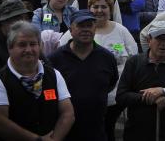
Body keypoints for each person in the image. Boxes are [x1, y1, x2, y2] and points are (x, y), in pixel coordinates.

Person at [58, 0, 137, 141]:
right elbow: (61, 54)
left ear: (110, 9)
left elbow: (133, 57)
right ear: (89, 9)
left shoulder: (121, 30)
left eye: (104, 7)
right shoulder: (74, 33)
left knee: (107, 130)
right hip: (77, 99)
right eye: (95, 6)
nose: (100, 10)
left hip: (113, 97)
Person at [0, 21, 75, 140]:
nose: (29, 49)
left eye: (33, 44)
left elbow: (68, 114)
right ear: (10, 48)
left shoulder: (54, 75)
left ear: (40, 46)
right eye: (22, 45)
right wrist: (37, 140)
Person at [49, 10, 119, 141]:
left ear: (95, 28)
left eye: (89, 25)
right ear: (70, 29)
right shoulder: (55, 59)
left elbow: (111, 84)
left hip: (97, 131)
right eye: (81, 25)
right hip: (64, 131)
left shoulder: (107, 58)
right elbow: (48, 91)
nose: (86, 29)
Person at [116, 21, 165, 141]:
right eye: (159, 38)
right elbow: (121, 96)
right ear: (149, 40)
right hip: (136, 132)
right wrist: (150, 97)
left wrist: (164, 92)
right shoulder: (134, 63)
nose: (163, 44)